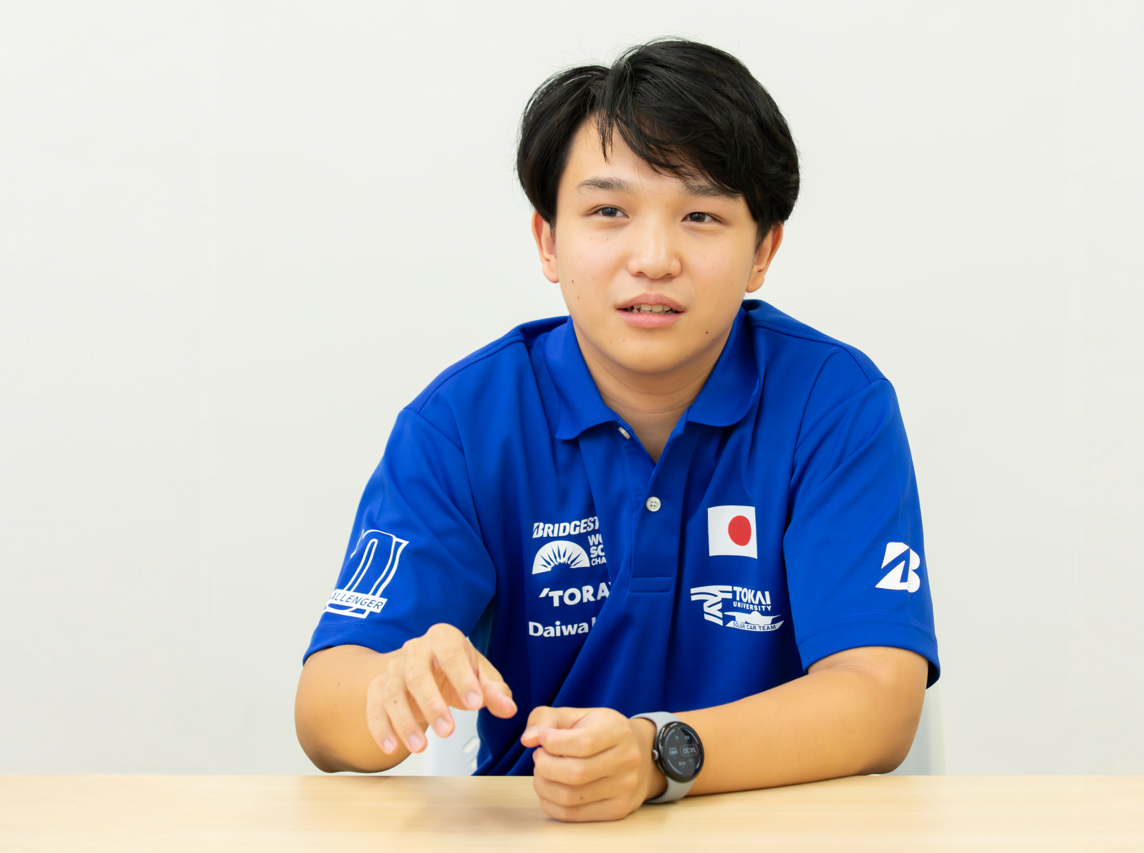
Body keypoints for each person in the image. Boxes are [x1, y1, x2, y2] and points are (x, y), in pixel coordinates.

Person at [294, 38, 939, 822]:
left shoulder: (832, 404)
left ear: (762, 251)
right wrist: (390, 685)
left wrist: (657, 753)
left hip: (775, 823)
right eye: (609, 212)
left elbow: (880, 696)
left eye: (701, 216)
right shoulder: (464, 423)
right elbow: (323, 711)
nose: (654, 258)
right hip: (541, 826)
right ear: (548, 241)